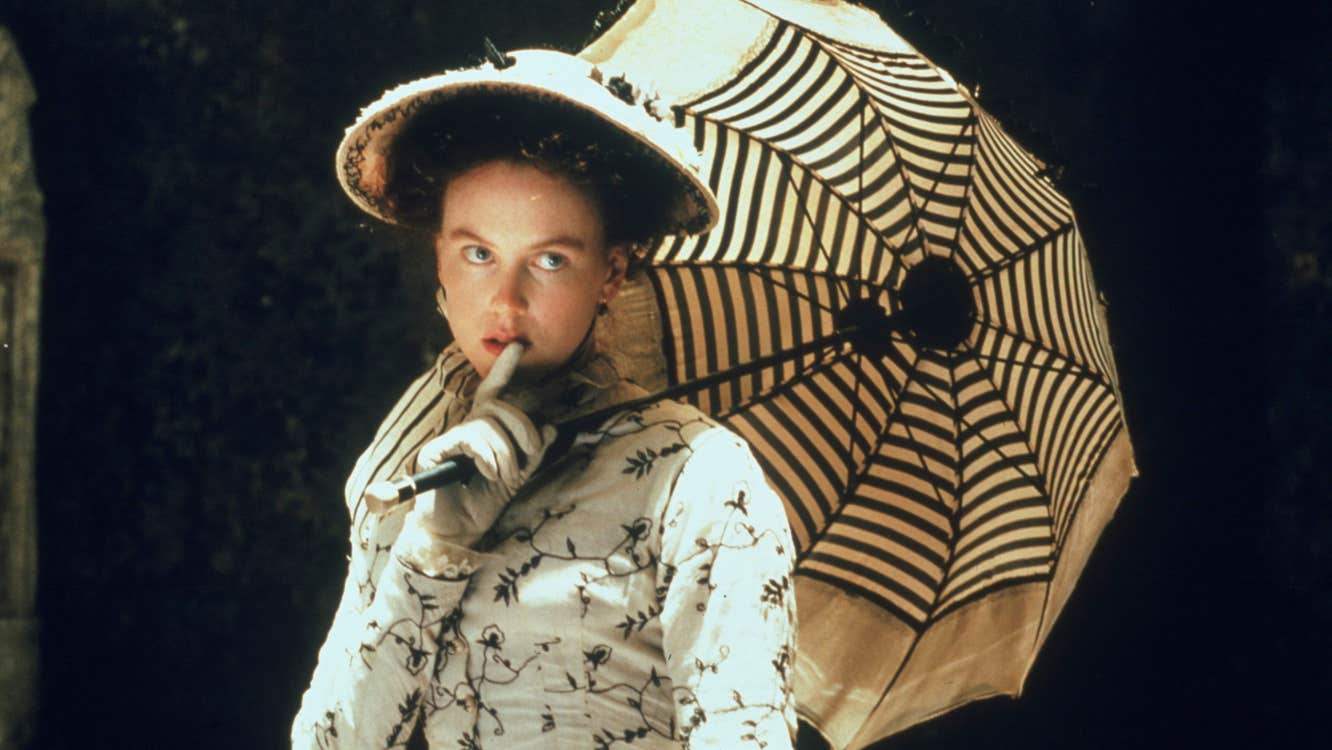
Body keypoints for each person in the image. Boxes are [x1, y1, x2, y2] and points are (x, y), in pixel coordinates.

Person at [292, 49, 797, 749]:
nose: (507, 301)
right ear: (440, 258)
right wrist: (433, 549)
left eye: (550, 260)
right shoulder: (409, 466)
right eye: (478, 254)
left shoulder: (698, 477)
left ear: (610, 273)